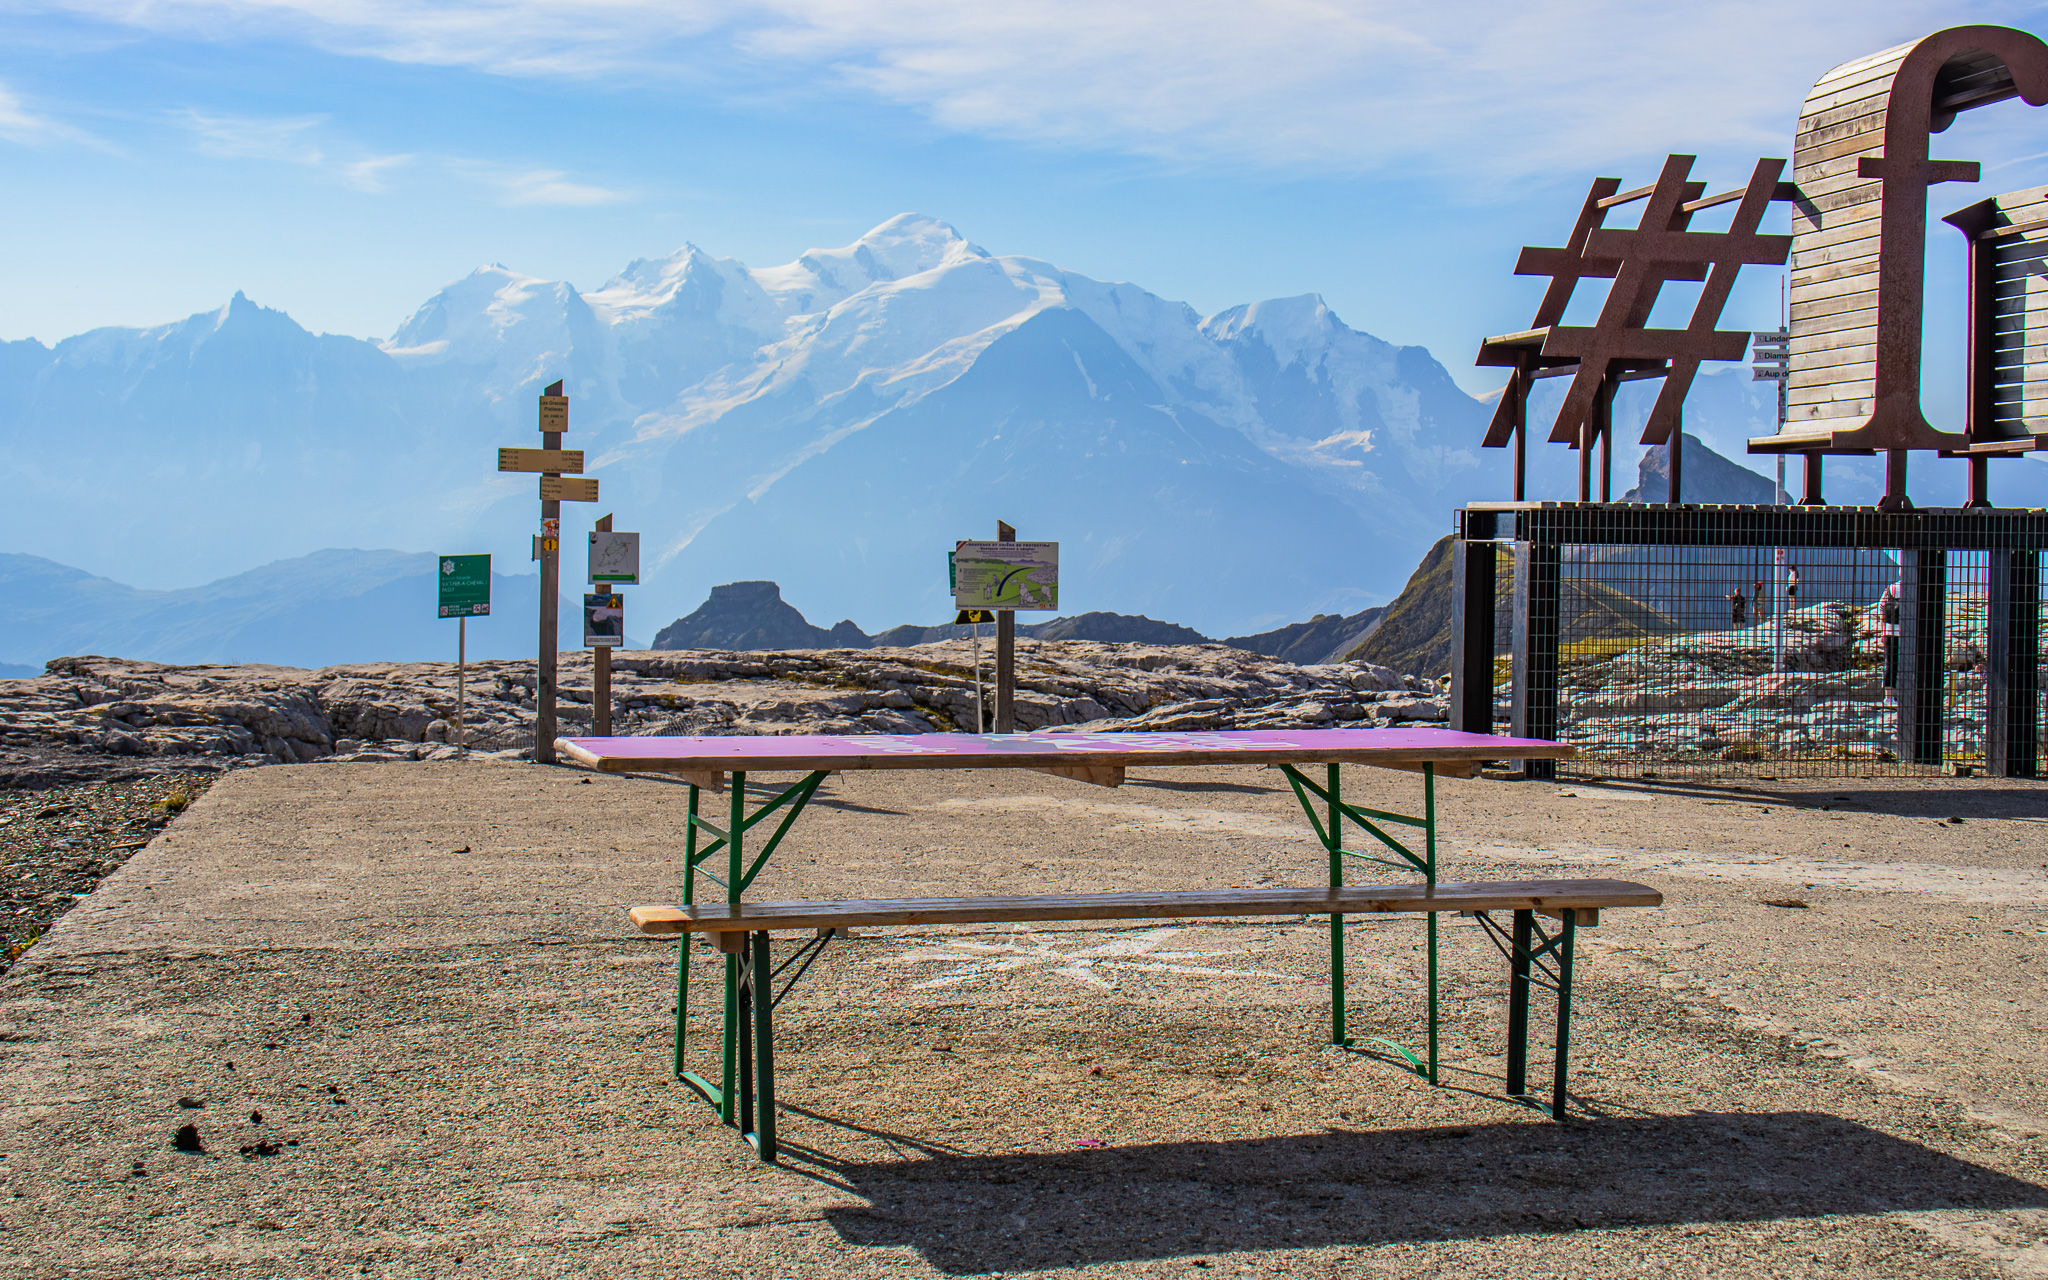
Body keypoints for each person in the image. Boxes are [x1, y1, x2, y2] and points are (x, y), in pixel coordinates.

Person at [1878, 579, 1902, 707]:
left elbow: (1881, 609)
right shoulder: (1915, 588)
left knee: (1890, 664)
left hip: (1889, 631)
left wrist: (1883, 631)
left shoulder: (1890, 589)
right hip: (1908, 633)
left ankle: (1889, 697)